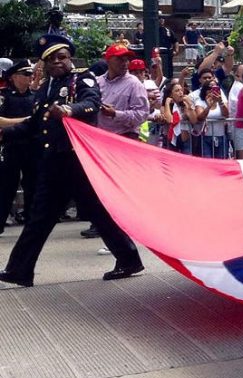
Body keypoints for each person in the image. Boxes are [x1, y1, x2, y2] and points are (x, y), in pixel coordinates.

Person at [0, 35, 145, 287]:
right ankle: (19, 270)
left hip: (78, 159)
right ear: (44, 63)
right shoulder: (47, 87)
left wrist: (70, 110)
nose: (58, 62)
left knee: (98, 213)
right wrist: (5, 133)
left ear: (70, 58)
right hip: (54, 160)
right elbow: (36, 124)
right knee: (39, 217)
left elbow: (92, 103)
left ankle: (129, 259)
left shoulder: (82, 77)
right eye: (51, 59)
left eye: (62, 57)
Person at [0, 60, 38, 233]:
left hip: (32, 146)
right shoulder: (4, 96)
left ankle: (31, 224)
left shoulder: (35, 96)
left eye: (31, 74)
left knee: (33, 185)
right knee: (6, 186)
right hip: (11, 146)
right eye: (26, 74)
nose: (30, 77)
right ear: (14, 77)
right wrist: (27, 120)